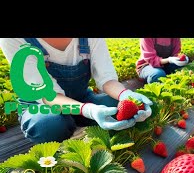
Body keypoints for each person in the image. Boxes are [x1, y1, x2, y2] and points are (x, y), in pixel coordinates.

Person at [0, 38, 152, 144]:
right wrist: (89, 110)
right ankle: (70, 123)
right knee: (50, 125)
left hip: (81, 98)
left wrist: (125, 95)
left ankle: (76, 119)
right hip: (42, 105)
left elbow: (107, 79)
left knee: (121, 105)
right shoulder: (15, 39)